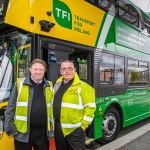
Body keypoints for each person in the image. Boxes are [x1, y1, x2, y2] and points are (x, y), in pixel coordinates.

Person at [4, 59, 53, 150]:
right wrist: (10, 129)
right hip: (22, 133)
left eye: (40, 69)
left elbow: (52, 108)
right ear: (30, 70)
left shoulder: (49, 86)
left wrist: (51, 128)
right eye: (35, 69)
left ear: (44, 71)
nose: (38, 72)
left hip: (42, 134)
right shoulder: (20, 84)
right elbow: (10, 107)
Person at [53, 60, 96, 150]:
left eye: (70, 68)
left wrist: (82, 127)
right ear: (61, 71)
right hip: (59, 129)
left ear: (74, 70)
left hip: (75, 131)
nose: (67, 71)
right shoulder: (57, 84)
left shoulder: (84, 87)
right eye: (64, 69)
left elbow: (90, 109)